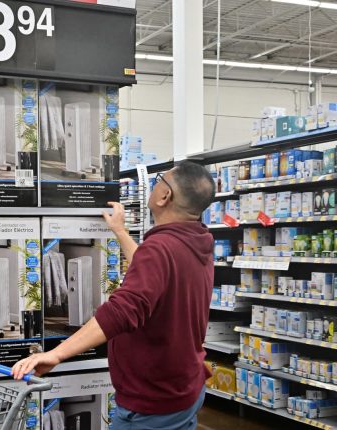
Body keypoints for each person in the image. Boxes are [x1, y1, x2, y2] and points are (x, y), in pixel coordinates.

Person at [12, 161, 216, 430]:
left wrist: (56, 354)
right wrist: (120, 231)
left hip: (153, 403)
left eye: (159, 180)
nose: (155, 186)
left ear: (165, 196)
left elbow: (121, 311)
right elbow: (153, 269)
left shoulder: (161, 247)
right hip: (185, 388)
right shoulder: (197, 239)